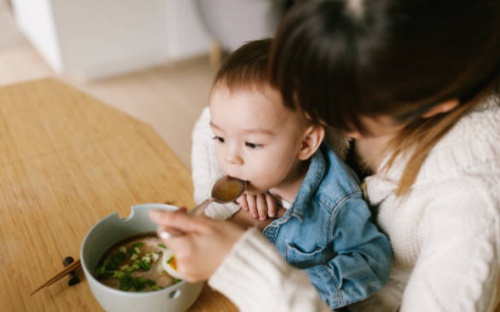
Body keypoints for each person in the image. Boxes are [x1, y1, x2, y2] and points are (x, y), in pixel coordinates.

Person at [150, 0, 500, 311]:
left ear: (432, 104)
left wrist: (238, 264)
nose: (308, 101)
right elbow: (215, 124)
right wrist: (241, 196)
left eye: (332, 99)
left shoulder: (474, 197)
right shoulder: (333, 48)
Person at [190, 38, 391, 310]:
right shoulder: (255, 174)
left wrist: (300, 284)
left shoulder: (335, 201)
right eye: (220, 138)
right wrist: (243, 198)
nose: (230, 157)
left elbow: (372, 260)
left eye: (251, 144)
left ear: (305, 144)